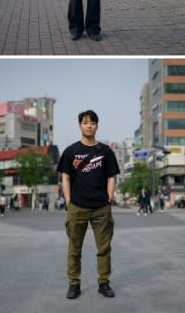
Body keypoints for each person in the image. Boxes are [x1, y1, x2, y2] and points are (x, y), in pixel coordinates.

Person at [57, 109, 120, 300]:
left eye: (92, 123)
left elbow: (111, 176)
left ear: (97, 126)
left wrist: (109, 198)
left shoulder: (106, 151)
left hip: (101, 207)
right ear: (79, 126)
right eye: (85, 123)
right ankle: (74, 284)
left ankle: (104, 283)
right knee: (74, 249)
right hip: (78, 207)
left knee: (104, 248)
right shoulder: (71, 151)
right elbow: (65, 178)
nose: (89, 126)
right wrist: (68, 201)